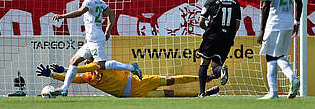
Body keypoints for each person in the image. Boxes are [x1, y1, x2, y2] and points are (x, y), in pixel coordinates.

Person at [52, 0, 142, 96]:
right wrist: (108, 31)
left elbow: (80, 12)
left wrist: (62, 16)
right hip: (92, 39)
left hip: (95, 39)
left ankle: (132, 67)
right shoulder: (100, 1)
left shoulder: (88, 1)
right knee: (73, 61)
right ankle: (64, 88)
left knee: (101, 65)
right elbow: (111, 14)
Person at [35, 60, 220, 97]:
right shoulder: (88, 78)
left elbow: (80, 68)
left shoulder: (100, 65)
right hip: (134, 95)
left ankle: (205, 78)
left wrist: (68, 68)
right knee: (170, 94)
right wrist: (53, 75)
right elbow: (74, 78)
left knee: (170, 80)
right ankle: (200, 95)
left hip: (139, 82)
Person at [257, 0, 303, 100]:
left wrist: (262, 30)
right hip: (288, 23)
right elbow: (299, 2)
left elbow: (265, 7)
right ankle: (292, 78)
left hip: (274, 23)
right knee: (279, 56)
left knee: (270, 56)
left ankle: (273, 92)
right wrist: (297, 22)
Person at [197, 0, 241, 97]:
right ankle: (220, 71)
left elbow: (201, 22)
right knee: (216, 66)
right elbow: (237, 25)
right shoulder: (235, 3)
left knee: (204, 63)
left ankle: (201, 93)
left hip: (212, 37)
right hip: (226, 39)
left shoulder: (211, 1)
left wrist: (208, 30)